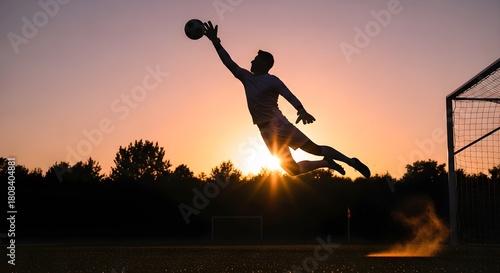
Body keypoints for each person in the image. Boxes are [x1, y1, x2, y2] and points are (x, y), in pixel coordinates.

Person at [203, 21, 371, 178]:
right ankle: (326, 162)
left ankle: (351, 161)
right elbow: (229, 62)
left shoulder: (272, 80)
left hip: (277, 124)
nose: (252, 61)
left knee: (315, 149)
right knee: (292, 170)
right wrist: (215, 42)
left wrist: (301, 110)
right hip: (264, 131)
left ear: (264, 64)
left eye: (256, 59)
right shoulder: (246, 78)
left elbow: (288, 95)